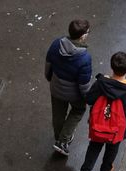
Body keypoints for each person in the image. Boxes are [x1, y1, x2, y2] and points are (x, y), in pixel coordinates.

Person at [76, 52, 126, 171]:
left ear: (112, 66)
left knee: (94, 148)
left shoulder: (101, 82)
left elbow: (89, 99)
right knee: (111, 151)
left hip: (98, 126)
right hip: (116, 130)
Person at [45, 19, 92, 156]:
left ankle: (58, 137)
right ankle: (63, 140)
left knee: (58, 114)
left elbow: (48, 65)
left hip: (56, 87)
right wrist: (88, 97)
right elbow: (83, 84)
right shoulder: (84, 57)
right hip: (74, 94)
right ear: (83, 36)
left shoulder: (56, 44)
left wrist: (50, 78)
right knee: (78, 110)